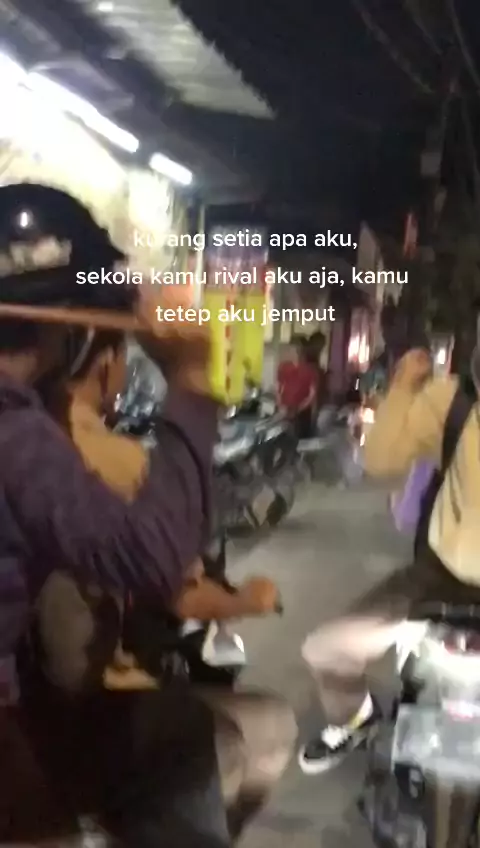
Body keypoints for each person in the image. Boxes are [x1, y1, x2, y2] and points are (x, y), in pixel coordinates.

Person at [0, 181, 229, 845]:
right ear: (63, 322)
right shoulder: (15, 433)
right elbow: (150, 555)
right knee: (181, 738)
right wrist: (191, 384)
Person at [34, 327, 296, 839]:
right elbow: (177, 585)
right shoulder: (110, 458)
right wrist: (249, 600)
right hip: (84, 706)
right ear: (106, 363)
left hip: (36, 703)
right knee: (252, 730)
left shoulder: (31, 436)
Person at [298, 345, 480, 775]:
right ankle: (355, 717)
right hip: (437, 579)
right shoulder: (452, 403)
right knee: (326, 648)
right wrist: (401, 388)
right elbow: (380, 459)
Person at [277, 336, 318, 438]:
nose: (294, 352)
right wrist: (281, 405)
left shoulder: (310, 370)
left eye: (297, 349)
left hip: (302, 413)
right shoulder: (283, 367)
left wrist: (299, 408)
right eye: (292, 348)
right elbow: (278, 387)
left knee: (300, 439)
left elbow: (312, 394)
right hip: (285, 410)